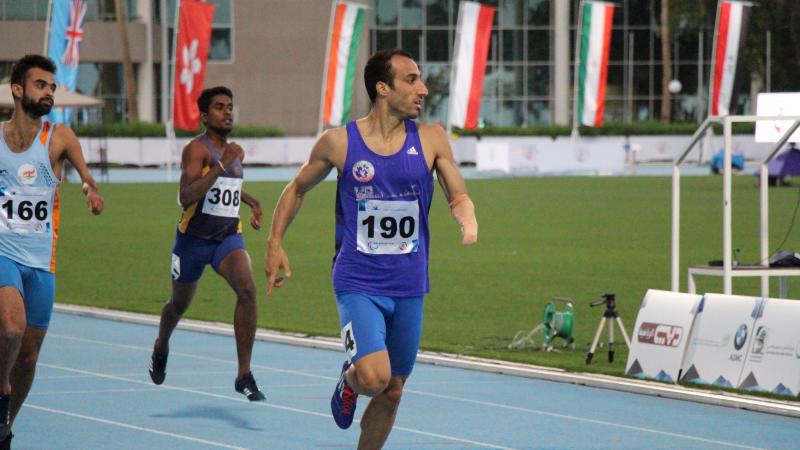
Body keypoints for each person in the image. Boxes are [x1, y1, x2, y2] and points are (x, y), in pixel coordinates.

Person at [264, 49, 478, 448]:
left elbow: (457, 191)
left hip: (410, 284)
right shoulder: (340, 142)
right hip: (358, 280)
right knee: (374, 378)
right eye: (411, 79)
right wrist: (275, 242)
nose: (423, 89)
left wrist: (467, 219)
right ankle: (349, 383)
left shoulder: (431, 138)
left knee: (394, 388)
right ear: (383, 88)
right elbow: (296, 189)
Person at [0, 54, 104, 449]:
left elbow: (84, 177)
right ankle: (0, 394)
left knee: (28, 356)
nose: (48, 93)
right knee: (11, 327)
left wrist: (91, 190)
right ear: (18, 89)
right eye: (40, 85)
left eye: (51, 87)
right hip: (3, 253)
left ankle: (6, 427)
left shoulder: (58, 136)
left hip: (41, 261)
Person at [148, 86, 266, 402]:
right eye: (219, 107)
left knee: (248, 289)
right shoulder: (196, 150)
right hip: (193, 242)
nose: (227, 111)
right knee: (179, 305)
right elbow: (185, 196)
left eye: (230, 106)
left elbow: (225, 188)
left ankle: (244, 374)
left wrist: (251, 201)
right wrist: (222, 165)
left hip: (227, 237)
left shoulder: (232, 152)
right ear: (204, 115)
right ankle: (161, 344)